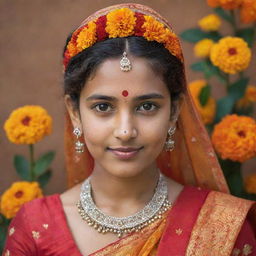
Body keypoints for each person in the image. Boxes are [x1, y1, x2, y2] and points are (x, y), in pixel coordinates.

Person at [3, 3, 256, 256]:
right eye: (103, 106)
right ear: (74, 112)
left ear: (174, 111)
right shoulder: (35, 227)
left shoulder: (221, 227)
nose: (125, 131)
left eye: (146, 106)